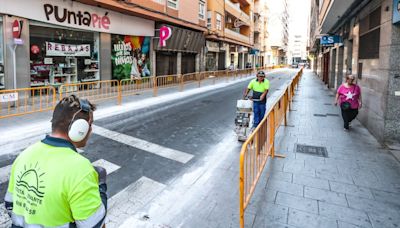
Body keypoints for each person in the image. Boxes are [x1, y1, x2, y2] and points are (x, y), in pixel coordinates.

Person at [4, 95, 107, 227]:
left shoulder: (24, 155)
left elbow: (10, 205)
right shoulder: (80, 169)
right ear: (79, 129)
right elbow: (94, 225)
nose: (91, 130)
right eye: (90, 125)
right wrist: (101, 188)